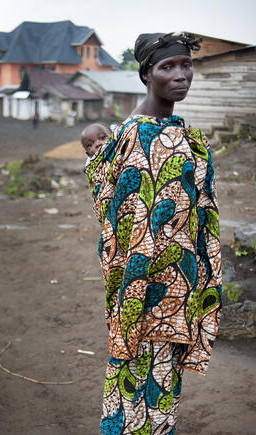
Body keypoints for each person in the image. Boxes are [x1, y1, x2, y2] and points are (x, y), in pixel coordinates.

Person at [84, 32, 222, 434]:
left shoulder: (187, 135)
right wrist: (135, 291)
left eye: (186, 65)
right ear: (146, 75)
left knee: (162, 393)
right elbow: (123, 220)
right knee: (137, 386)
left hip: (180, 286)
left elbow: (201, 214)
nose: (181, 75)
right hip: (142, 289)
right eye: (168, 67)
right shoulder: (137, 136)